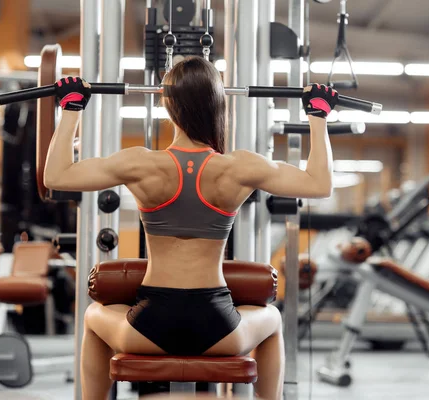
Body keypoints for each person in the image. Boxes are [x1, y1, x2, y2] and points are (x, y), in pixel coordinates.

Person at [44, 57, 337, 400]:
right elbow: (319, 184)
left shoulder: (140, 163)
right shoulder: (239, 167)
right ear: (218, 107)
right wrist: (318, 117)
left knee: (94, 315)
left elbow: (56, 177)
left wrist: (71, 109)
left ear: (170, 108)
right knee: (270, 318)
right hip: (217, 324)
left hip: (151, 322)